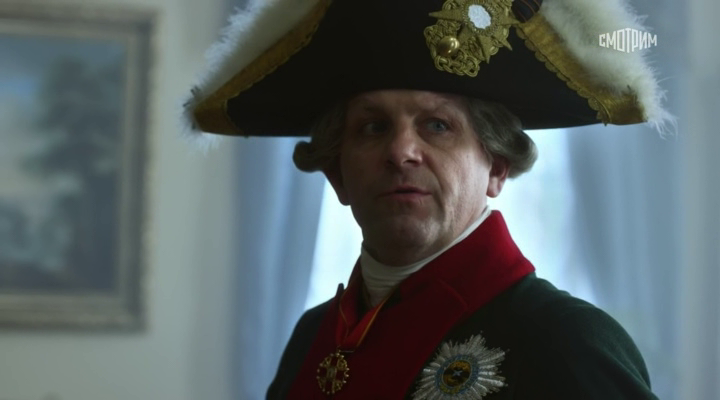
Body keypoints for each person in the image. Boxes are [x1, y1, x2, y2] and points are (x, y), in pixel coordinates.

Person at [184, 0, 672, 398]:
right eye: (373, 127)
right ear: (337, 175)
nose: (401, 152)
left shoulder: (567, 342)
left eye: (437, 125)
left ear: (496, 167)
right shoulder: (313, 338)